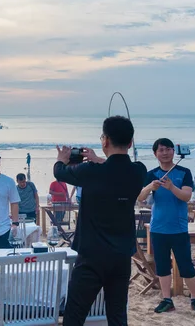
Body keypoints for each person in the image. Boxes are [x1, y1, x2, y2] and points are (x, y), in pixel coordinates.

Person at [53, 116, 147, 326]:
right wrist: (99, 159)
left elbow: (59, 172)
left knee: (75, 315)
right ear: (130, 142)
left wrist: (62, 158)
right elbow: (119, 169)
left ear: (104, 141)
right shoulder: (138, 171)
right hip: (121, 255)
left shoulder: (90, 172)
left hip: (92, 256)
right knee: (117, 315)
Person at [138, 138, 195, 316]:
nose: (165, 152)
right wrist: (149, 187)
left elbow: (186, 196)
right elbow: (140, 197)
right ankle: (167, 299)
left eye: (168, 149)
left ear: (173, 152)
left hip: (179, 228)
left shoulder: (184, 172)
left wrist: (171, 187)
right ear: (155, 154)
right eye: (161, 150)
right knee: (162, 266)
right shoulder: (152, 174)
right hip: (158, 228)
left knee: (186, 266)